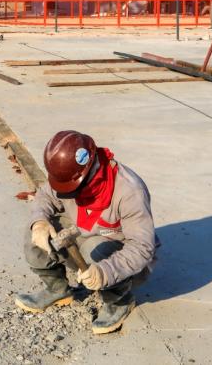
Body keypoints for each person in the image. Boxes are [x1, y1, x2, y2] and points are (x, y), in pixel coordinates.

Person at [16, 131, 158, 335]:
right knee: (39, 236)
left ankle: (119, 300)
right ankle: (58, 289)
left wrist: (104, 272)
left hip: (123, 260)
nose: (66, 194)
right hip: (82, 236)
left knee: (94, 248)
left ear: (91, 169)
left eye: (71, 189)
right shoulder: (70, 174)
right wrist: (39, 221)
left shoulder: (129, 191)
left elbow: (142, 248)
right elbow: (45, 195)